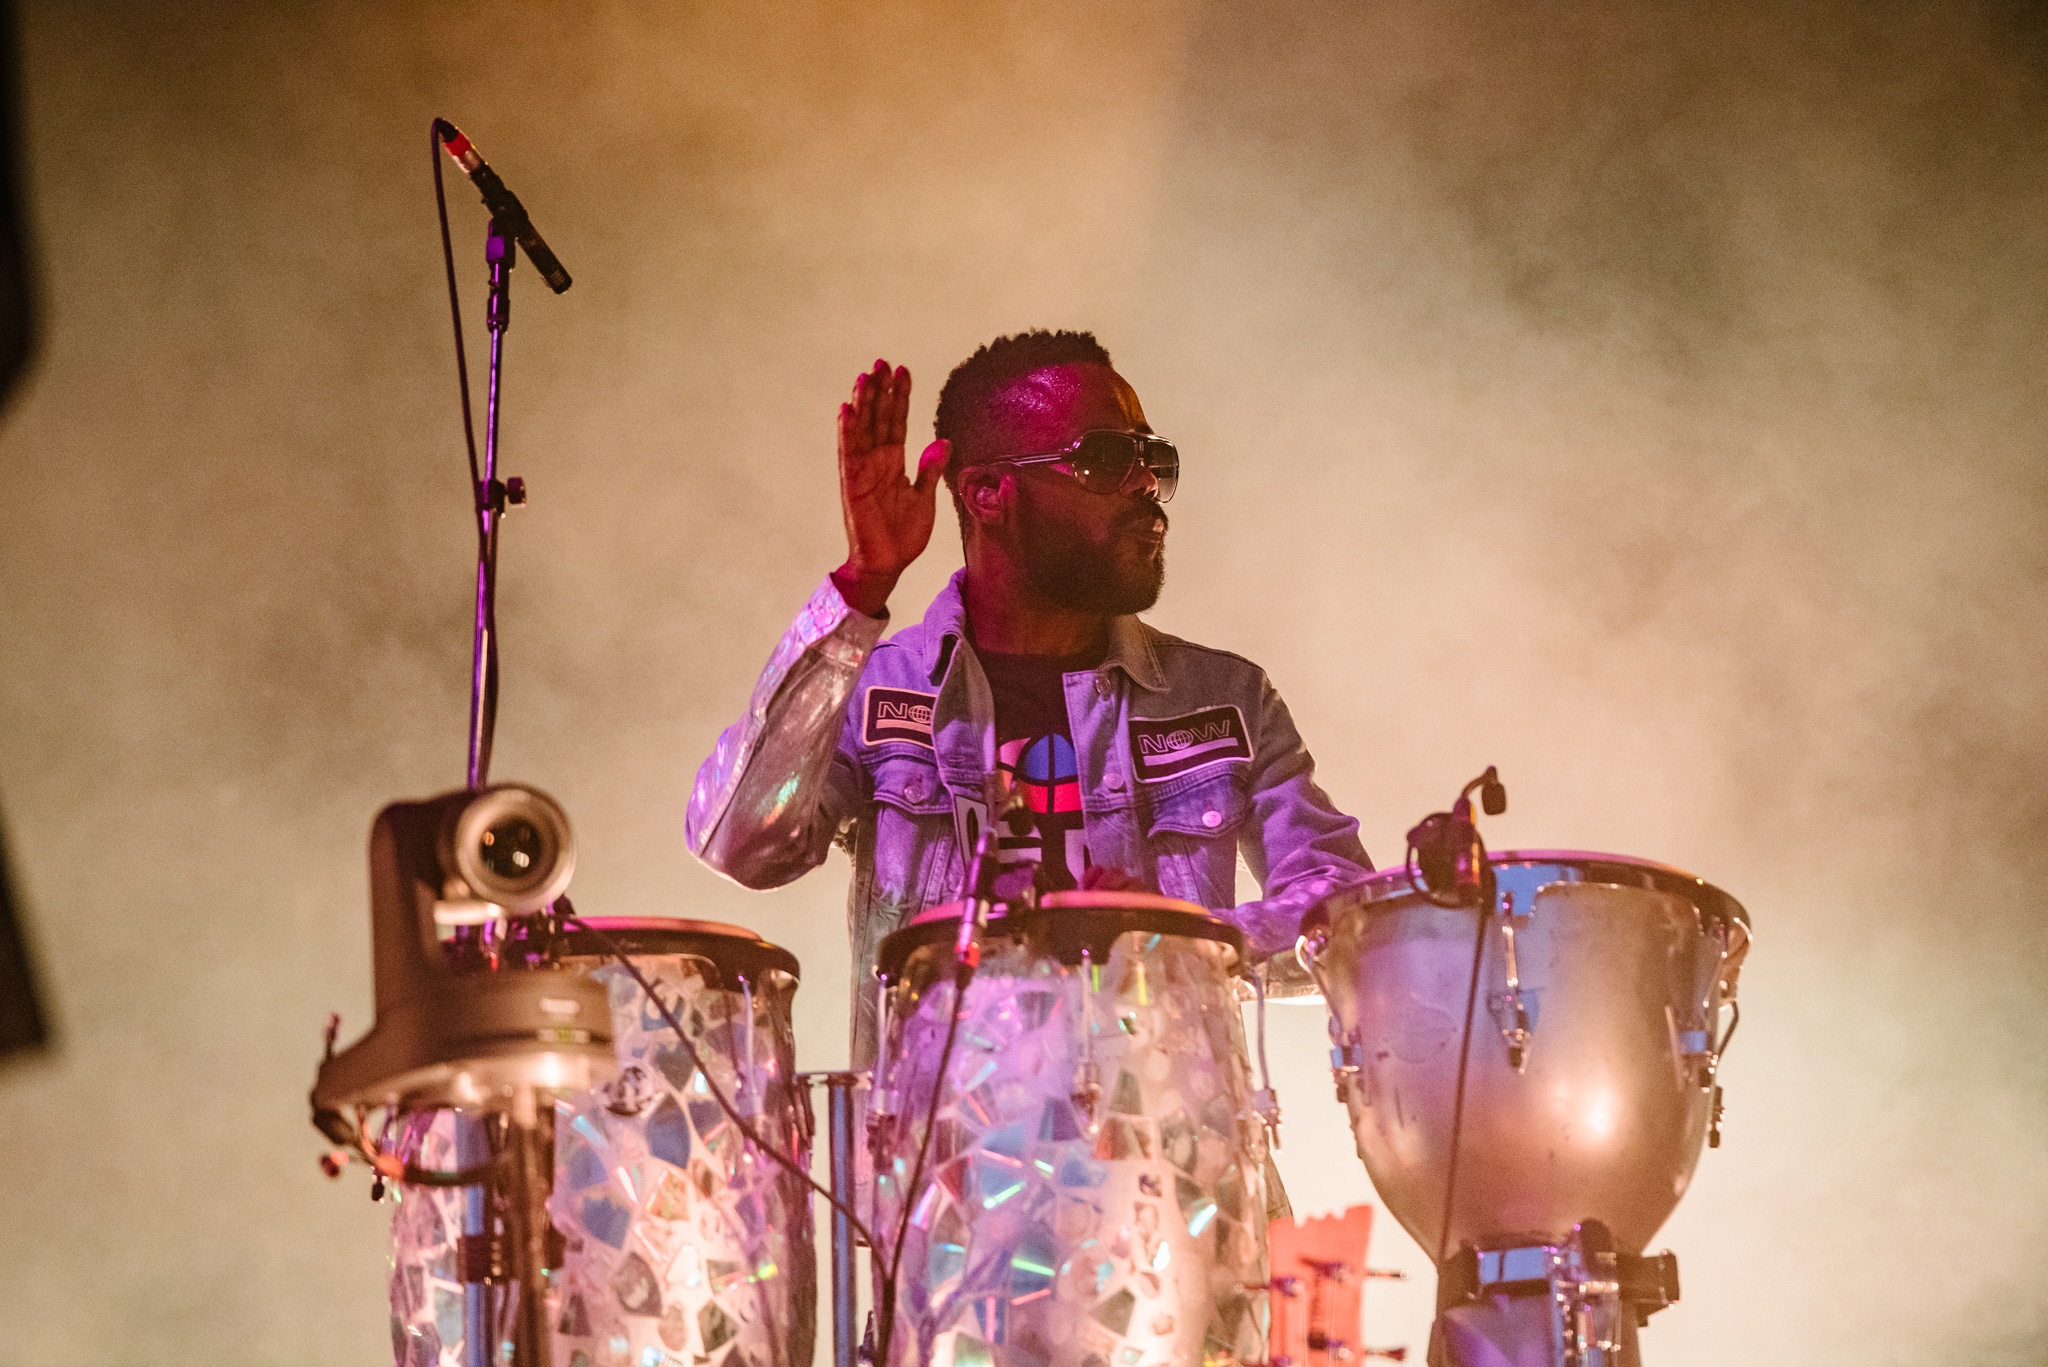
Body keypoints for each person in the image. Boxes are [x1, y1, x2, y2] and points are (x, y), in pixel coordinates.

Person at [687, 330, 1371, 1063]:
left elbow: (1352, 920)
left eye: (1153, 460)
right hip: (937, 1132)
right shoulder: (883, 689)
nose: (1145, 484)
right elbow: (741, 843)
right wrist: (861, 586)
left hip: (1163, 1124)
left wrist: (1187, 942)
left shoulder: (1225, 698)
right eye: (1105, 459)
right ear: (987, 493)